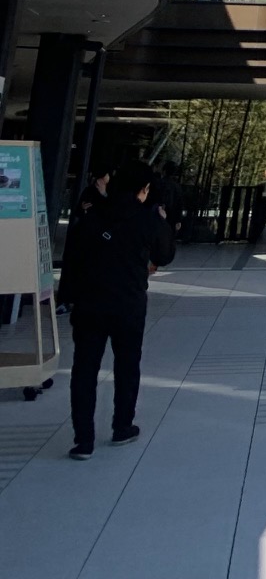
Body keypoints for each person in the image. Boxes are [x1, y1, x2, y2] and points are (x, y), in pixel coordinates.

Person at [56, 161, 175, 460]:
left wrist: (70, 295)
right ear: (143, 190)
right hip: (128, 304)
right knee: (127, 365)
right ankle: (122, 426)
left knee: (84, 369)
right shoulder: (147, 219)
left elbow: (74, 258)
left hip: (90, 303)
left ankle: (83, 440)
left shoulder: (93, 214)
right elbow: (165, 255)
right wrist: (162, 223)